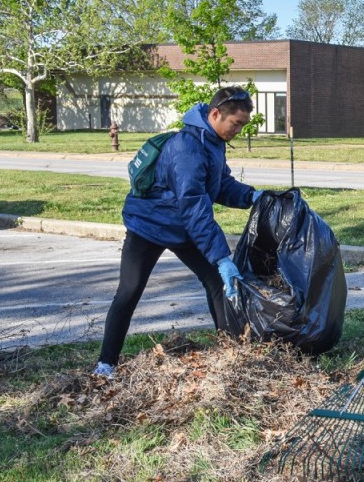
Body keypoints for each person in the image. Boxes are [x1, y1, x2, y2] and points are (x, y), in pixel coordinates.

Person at [92, 86, 263, 377]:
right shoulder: (187, 148)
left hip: (183, 226)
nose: (239, 130)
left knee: (217, 284)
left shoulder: (213, 141)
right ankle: (106, 364)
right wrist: (222, 257)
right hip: (149, 225)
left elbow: (220, 184)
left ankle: (231, 355)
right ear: (215, 114)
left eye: (244, 125)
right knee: (129, 291)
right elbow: (194, 205)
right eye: (237, 124)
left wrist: (253, 196)